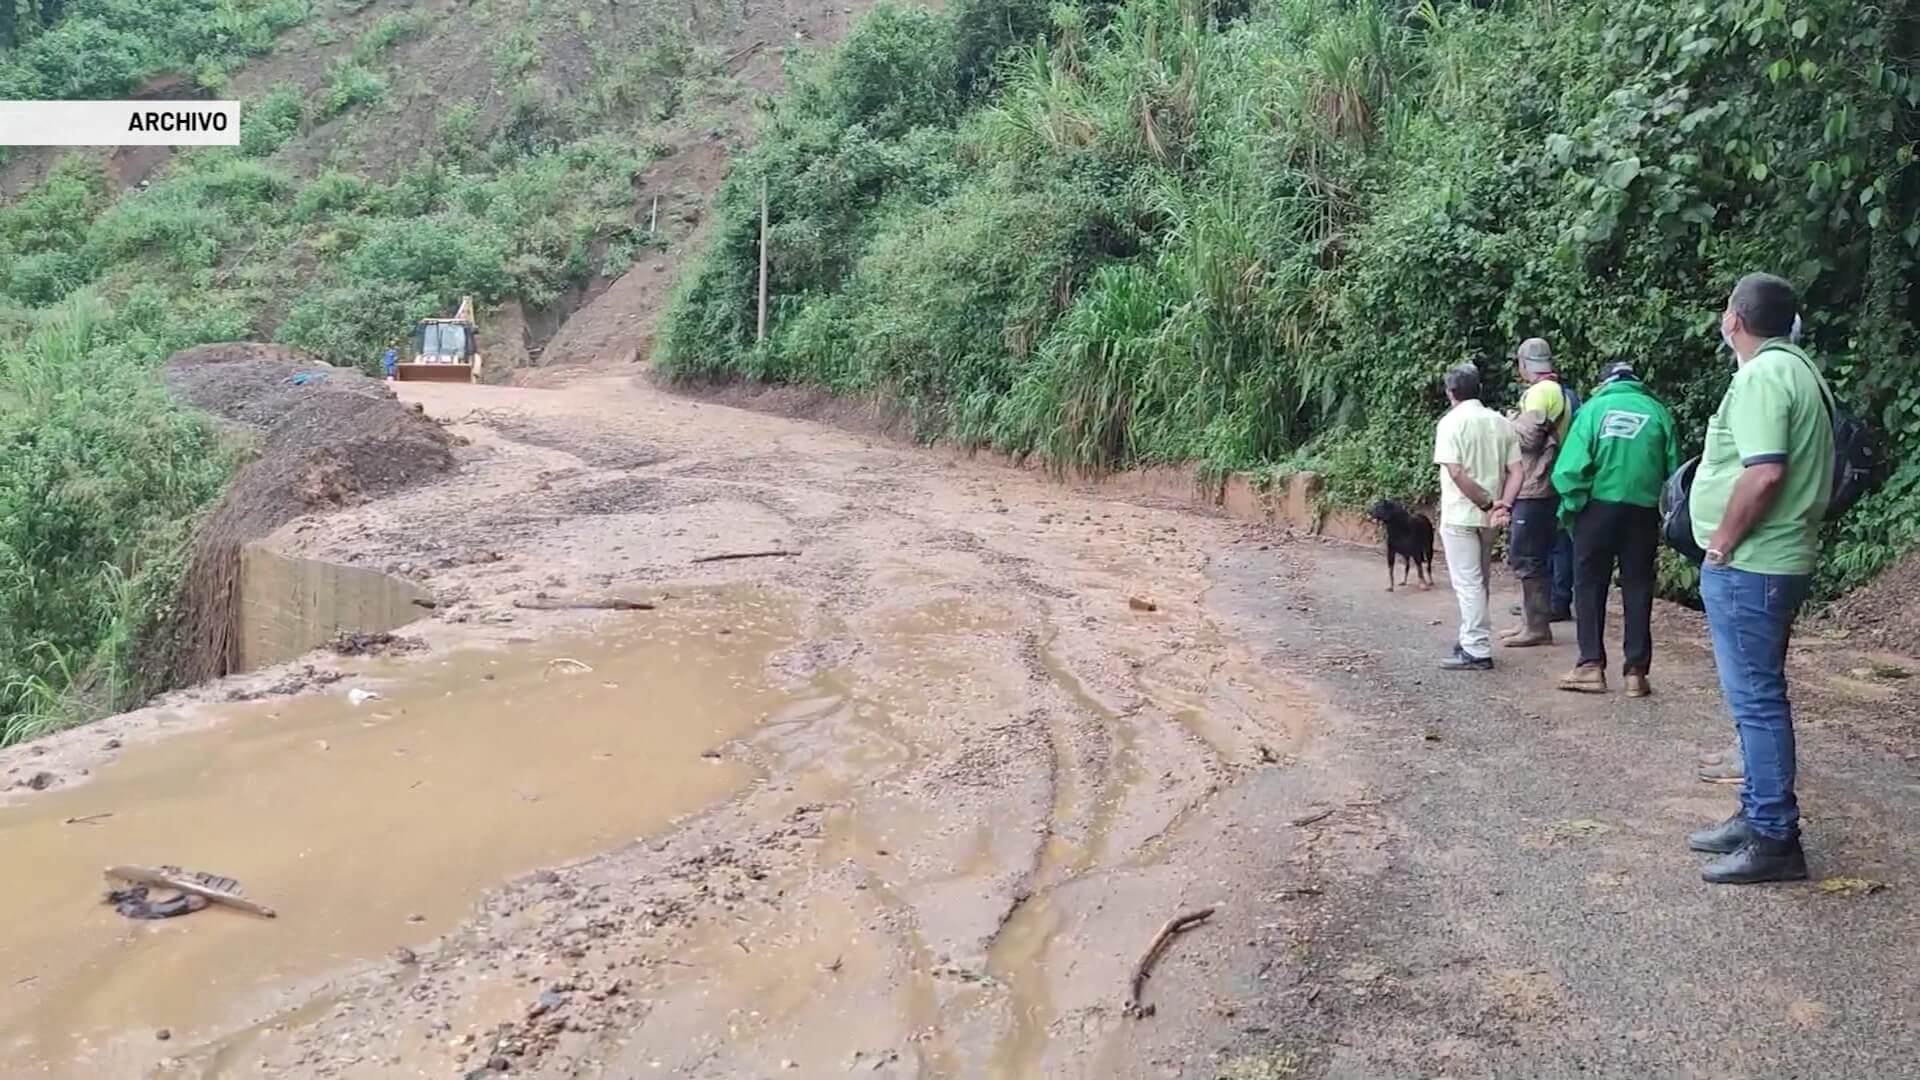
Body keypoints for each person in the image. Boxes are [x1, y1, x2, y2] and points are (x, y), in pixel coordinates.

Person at [1685, 273, 1834, 885]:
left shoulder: (1764, 375)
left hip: (1753, 563)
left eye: (1726, 309)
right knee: (1755, 699)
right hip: (1772, 559)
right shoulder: (1799, 368)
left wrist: (1721, 543)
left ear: (1735, 320)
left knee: (1757, 702)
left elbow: (1765, 472)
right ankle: (1756, 815)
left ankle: (1775, 836)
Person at [1549, 363, 1680, 697]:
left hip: (1598, 508)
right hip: (1643, 511)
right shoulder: (1657, 412)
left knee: (1590, 585)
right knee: (1637, 586)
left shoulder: (1593, 410)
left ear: (1606, 382)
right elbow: (1675, 472)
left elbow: (1569, 469)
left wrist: (1573, 507)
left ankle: (1591, 666)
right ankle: (1636, 672)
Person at [1433, 363, 1522, 671]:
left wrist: (1486, 503)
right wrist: (1504, 505)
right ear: (1479, 389)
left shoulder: (1450, 423)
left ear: (1450, 392)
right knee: (1479, 579)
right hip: (1491, 517)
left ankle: (1476, 647)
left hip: (1462, 512)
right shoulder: (1500, 422)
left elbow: (1455, 471)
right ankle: (1471, 636)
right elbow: (1517, 471)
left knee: (1467, 581)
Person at [1492, 338, 1575, 648]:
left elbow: (1530, 438)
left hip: (1535, 484)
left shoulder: (1542, 392)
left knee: (1527, 557)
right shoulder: (1555, 390)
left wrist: (1506, 421)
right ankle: (1530, 621)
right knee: (1532, 555)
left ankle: (1537, 626)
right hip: (1544, 482)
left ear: (1525, 364)